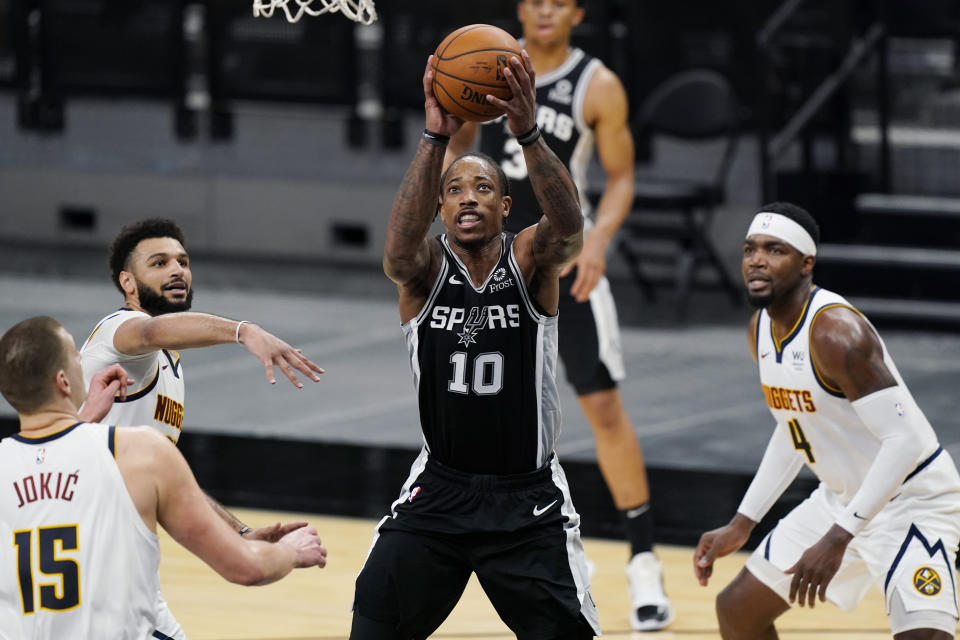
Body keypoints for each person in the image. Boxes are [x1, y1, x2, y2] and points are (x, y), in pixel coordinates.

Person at [350, 51, 599, 639]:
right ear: (440, 207)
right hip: (441, 488)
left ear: (504, 206)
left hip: (527, 499)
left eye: (482, 188)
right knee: (375, 618)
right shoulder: (423, 270)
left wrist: (528, 133)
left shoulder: (530, 260)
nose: (467, 197)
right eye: (454, 191)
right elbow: (396, 250)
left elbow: (568, 229)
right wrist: (436, 138)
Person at [444, 0, 672, 630]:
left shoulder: (596, 83)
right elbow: (455, 151)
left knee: (601, 406)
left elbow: (621, 178)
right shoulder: (487, 61)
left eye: (558, 1)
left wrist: (597, 242)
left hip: (563, 258)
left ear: (577, 12)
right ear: (522, 8)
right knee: (500, 408)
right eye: (535, 0)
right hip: (493, 265)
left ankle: (644, 561)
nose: (545, 11)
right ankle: (540, 548)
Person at [693, 202, 960, 639]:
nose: (757, 260)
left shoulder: (837, 333)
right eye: (749, 249)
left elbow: (905, 440)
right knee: (738, 611)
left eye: (774, 250)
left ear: (805, 263)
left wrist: (840, 537)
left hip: (912, 502)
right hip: (841, 499)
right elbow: (794, 427)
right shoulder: (759, 330)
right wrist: (743, 521)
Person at [0, 316, 327, 639]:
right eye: (75, 355)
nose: (82, 360)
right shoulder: (140, 451)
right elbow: (246, 568)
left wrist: (83, 420)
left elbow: (51, 469)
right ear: (64, 381)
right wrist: (292, 551)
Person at [79, 217, 326, 639]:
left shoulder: (169, 366)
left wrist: (241, 532)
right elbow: (154, 329)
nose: (177, 270)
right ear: (128, 283)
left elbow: (169, 484)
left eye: (183, 261)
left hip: (122, 568)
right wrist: (243, 330)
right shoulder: (118, 331)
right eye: (159, 263)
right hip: (98, 572)